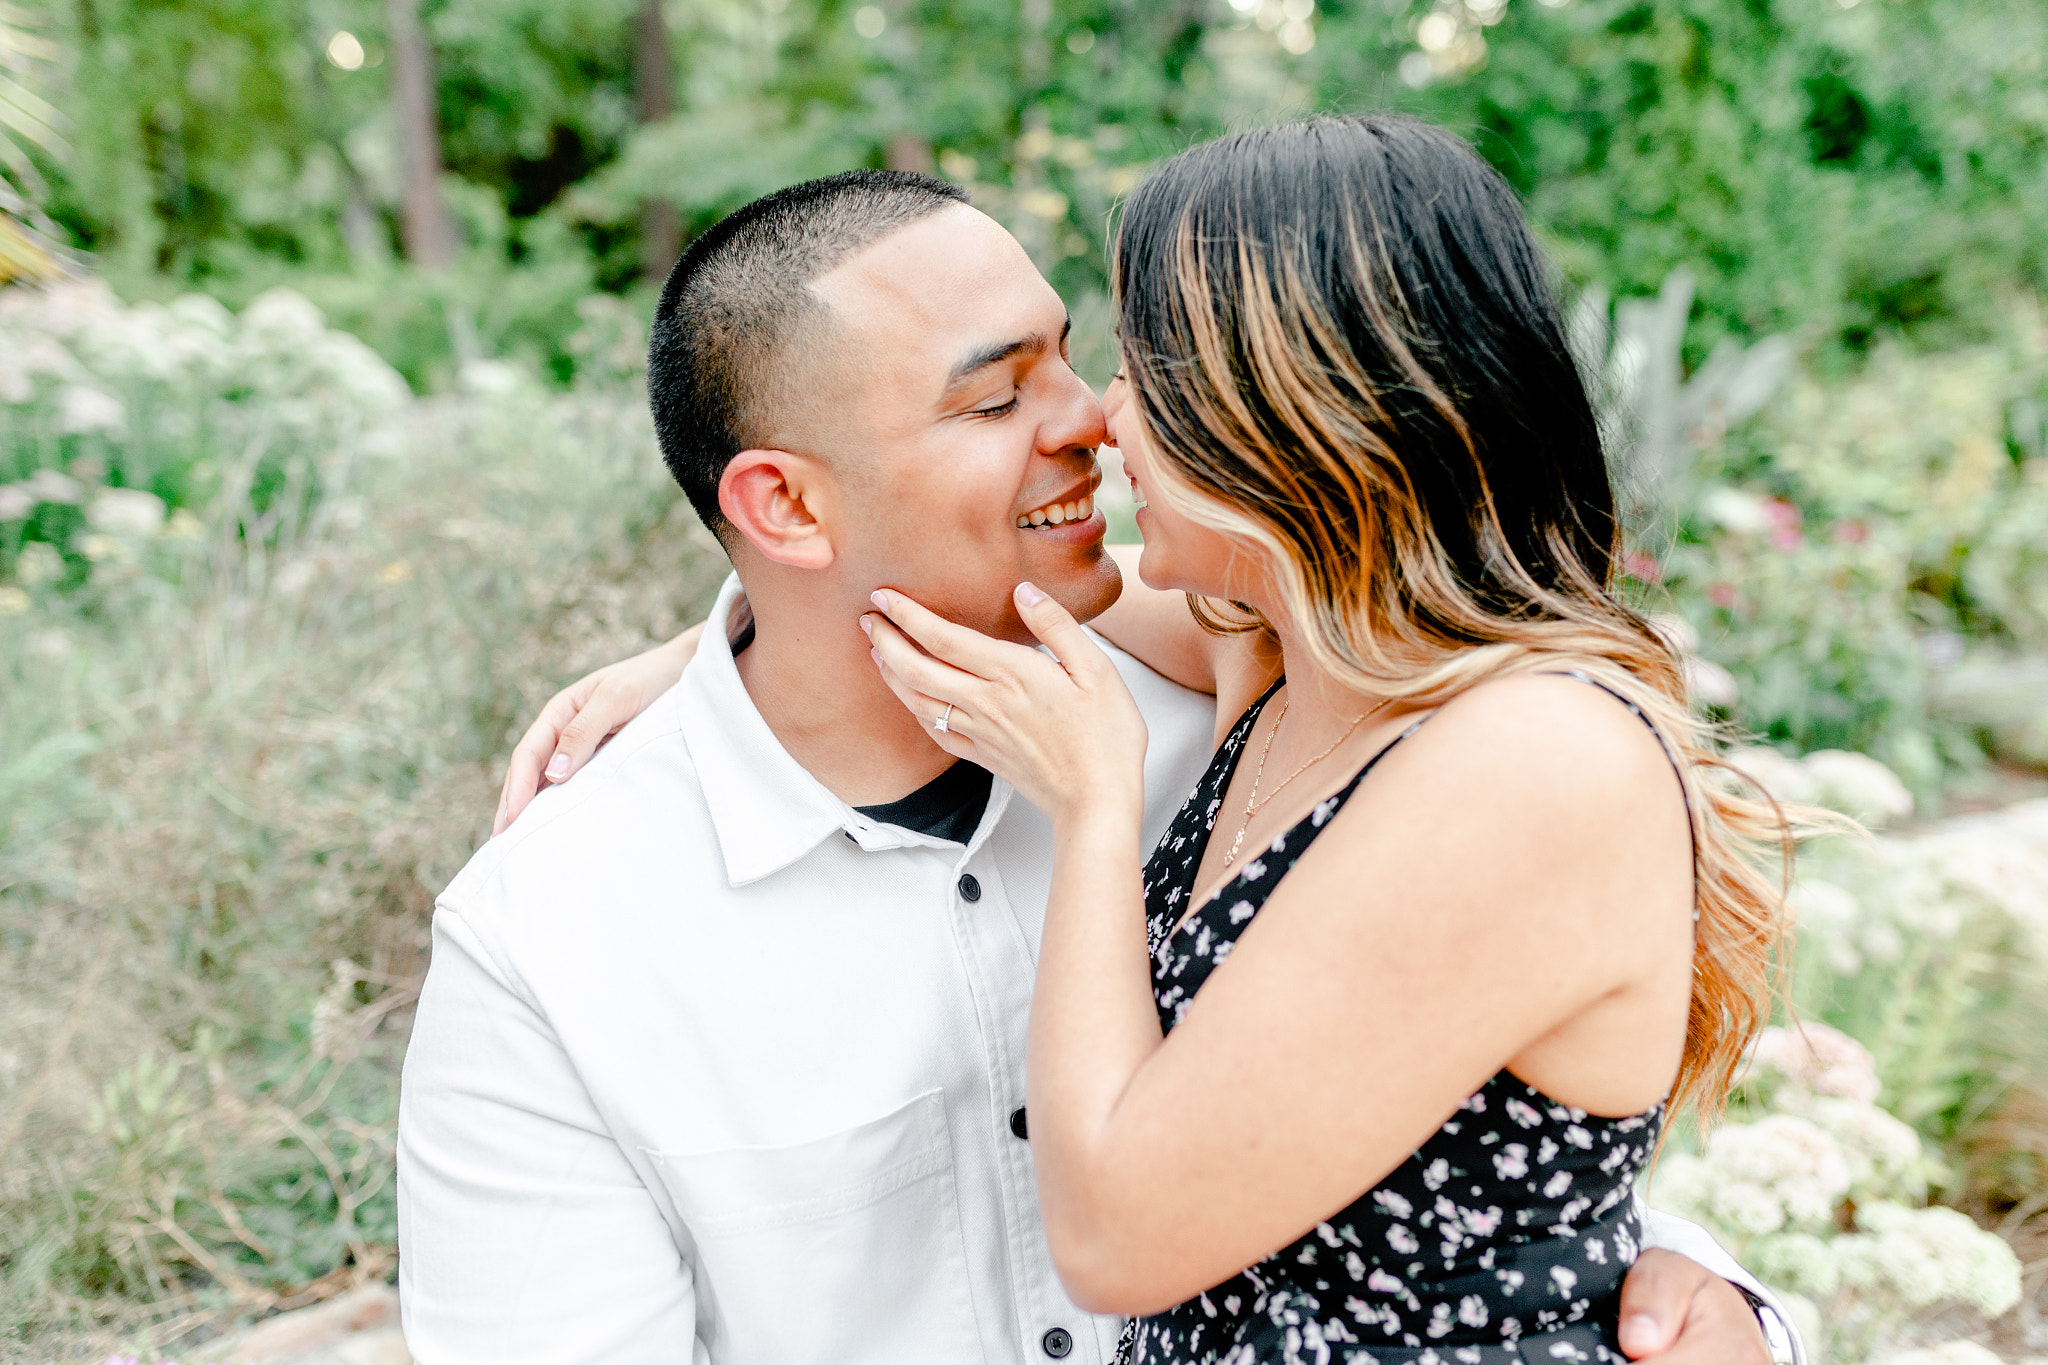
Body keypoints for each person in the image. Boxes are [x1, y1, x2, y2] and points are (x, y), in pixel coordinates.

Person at [401, 167, 1797, 1365]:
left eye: (1088, 357)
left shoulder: (1246, 695)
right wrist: (722, 644)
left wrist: (1706, 1288)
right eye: (1000, 394)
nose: (1094, 420)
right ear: (780, 505)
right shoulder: (553, 943)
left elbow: (1487, 1160)